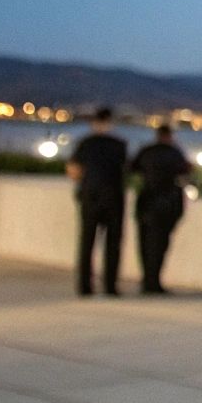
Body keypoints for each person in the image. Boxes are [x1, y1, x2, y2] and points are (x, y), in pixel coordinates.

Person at [66, 107, 128, 296]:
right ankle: (110, 285)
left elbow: (73, 170)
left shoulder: (85, 143)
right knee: (113, 244)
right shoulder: (119, 144)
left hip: (90, 196)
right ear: (111, 121)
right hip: (114, 197)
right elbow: (125, 170)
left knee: (87, 242)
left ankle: (85, 286)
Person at [130, 124, 190, 294]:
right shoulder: (175, 153)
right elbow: (185, 173)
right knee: (160, 244)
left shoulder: (147, 151)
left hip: (146, 202)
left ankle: (148, 280)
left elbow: (133, 168)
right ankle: (153, 281)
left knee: (145, 243)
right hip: (166, 204)